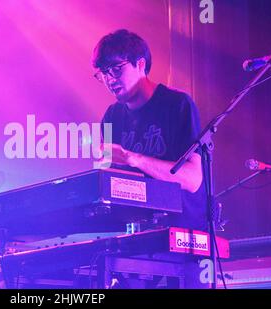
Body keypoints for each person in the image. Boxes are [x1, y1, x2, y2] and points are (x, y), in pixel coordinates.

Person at [92, 29, 208, 288]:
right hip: (135, 244)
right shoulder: (112, 116)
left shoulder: (177, 105)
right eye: (102, 73)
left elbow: (192, 179)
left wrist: (134, 159)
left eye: (115, 69)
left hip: (181, 245)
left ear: (140, 64)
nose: (109, 79)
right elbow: (107, 187)